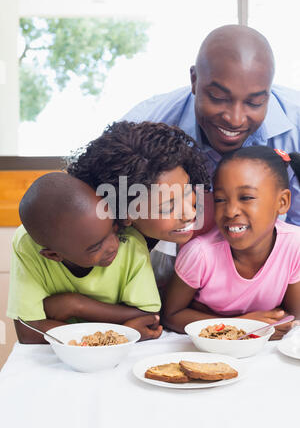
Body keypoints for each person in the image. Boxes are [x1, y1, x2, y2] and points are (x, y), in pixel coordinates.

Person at [122, 24, 300, 226]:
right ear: (194, 80)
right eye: (218, 97)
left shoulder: (296, 123)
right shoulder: (141, 128)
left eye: (254, 103)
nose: (235, 119)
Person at [7, 172, 162, 344]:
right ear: (53, 255)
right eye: (96, 247)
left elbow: (150, 319)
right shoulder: (28, 245)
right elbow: (28, 332)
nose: (113, 245)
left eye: (113, 227)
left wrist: (76, 305)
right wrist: (123, 330)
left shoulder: (131, 242)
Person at [163, 146, 300, 340]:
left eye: (246, 197)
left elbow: (294, 317)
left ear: (283, 202)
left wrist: (281, 324)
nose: (230, 211)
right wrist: (241, 326)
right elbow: (171, 316)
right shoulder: (200, 254)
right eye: (220, 199)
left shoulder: (294, 245)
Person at [66, 120, 213, 287]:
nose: (191, 213)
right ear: (125, 214)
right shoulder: (98, 253)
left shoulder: (211, 227)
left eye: (187, 190)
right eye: (168, 206)